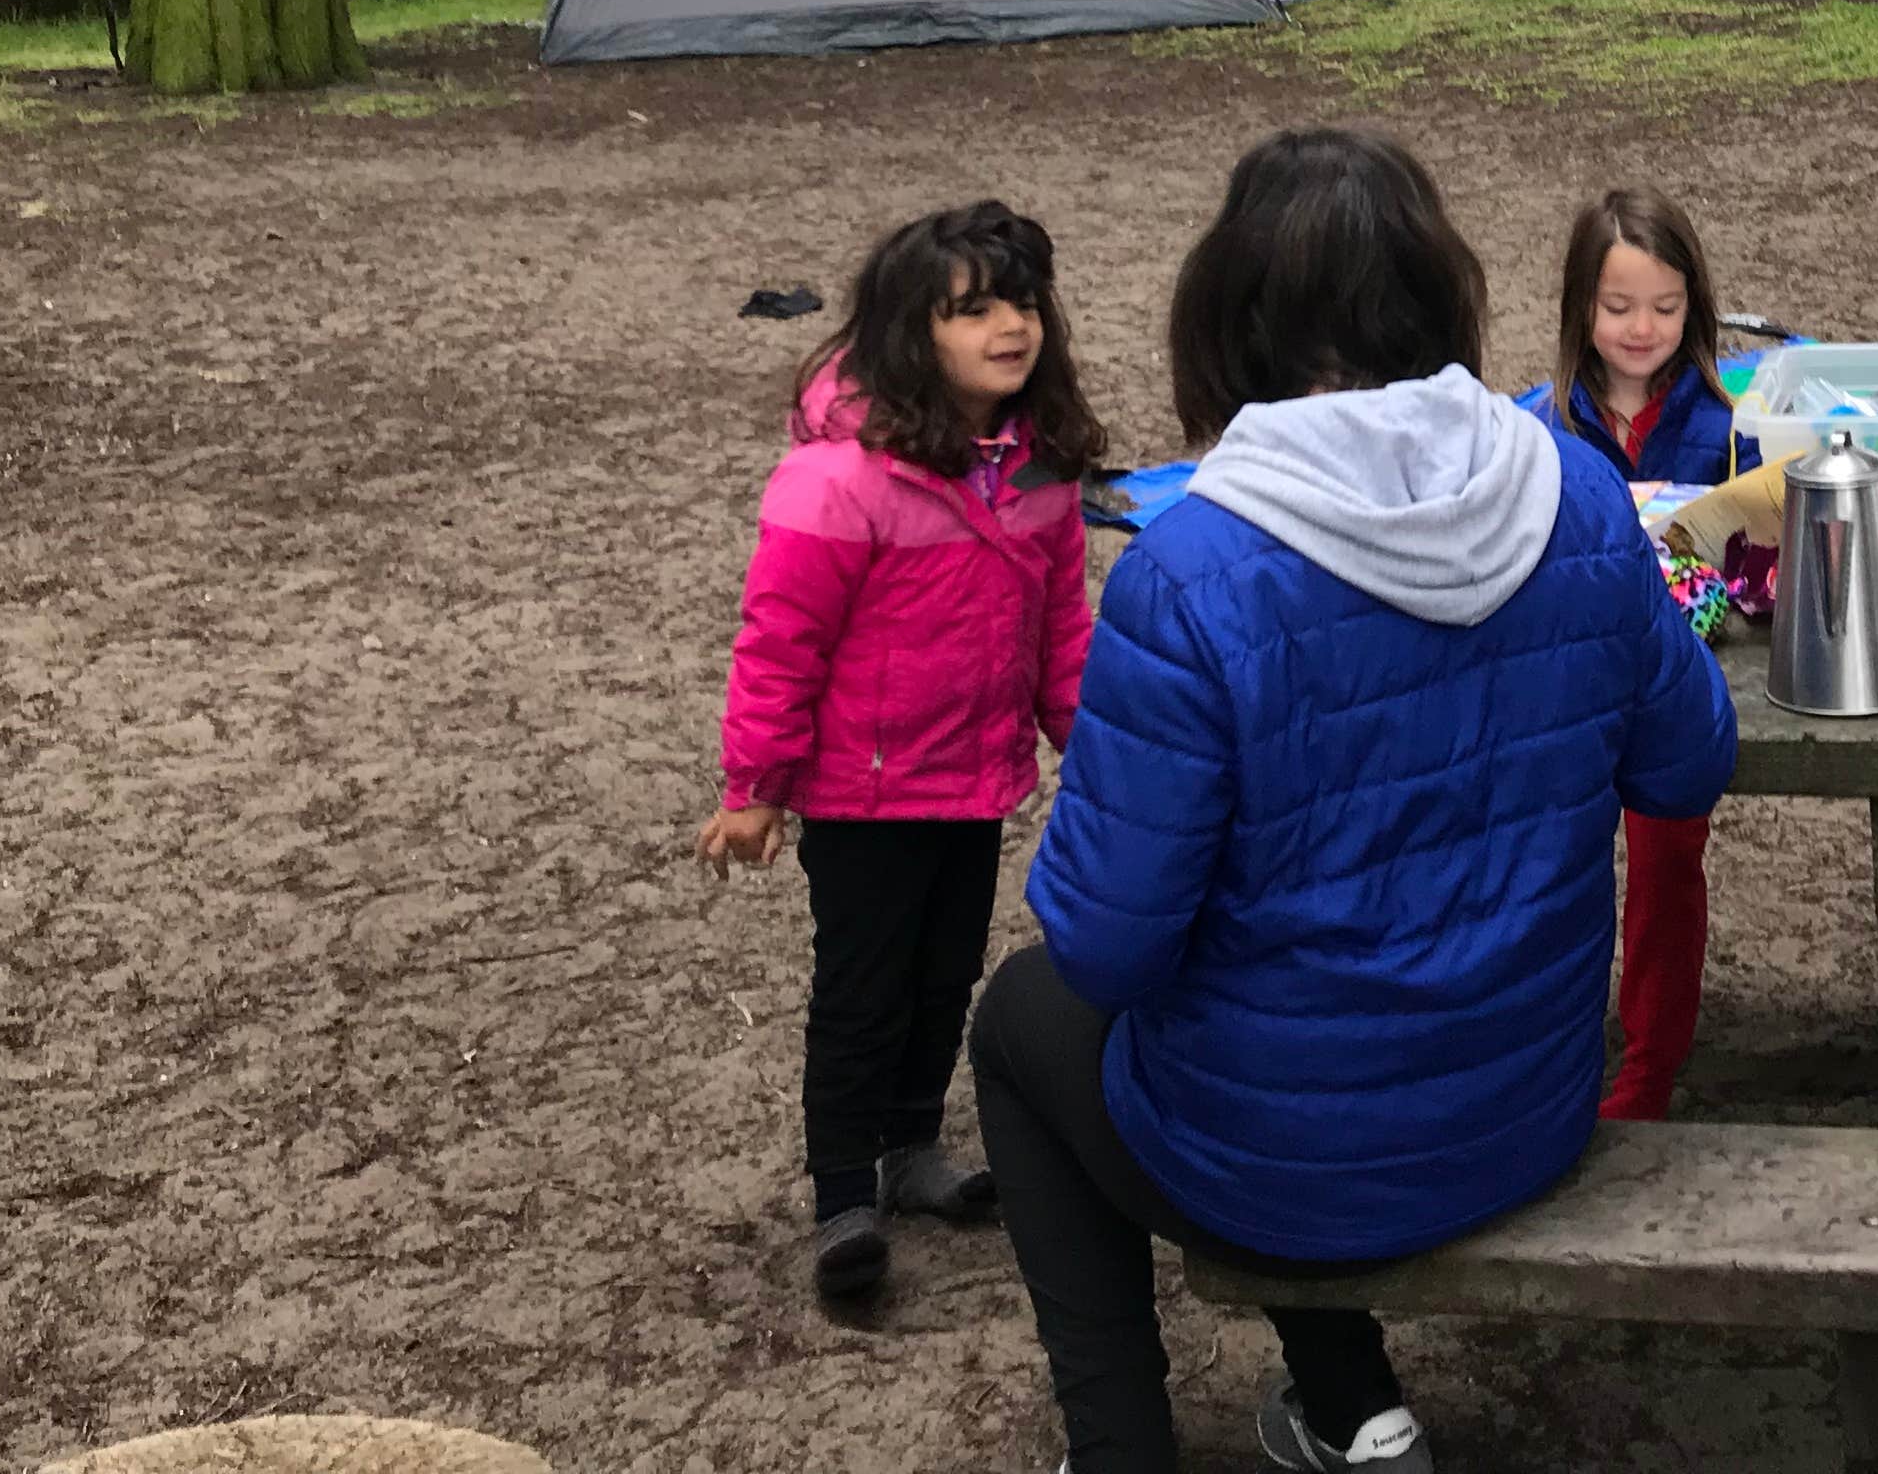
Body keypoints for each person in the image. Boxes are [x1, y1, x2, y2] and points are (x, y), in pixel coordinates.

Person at [977, 127, 1736, 1474]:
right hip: (1529, 1106)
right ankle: (1351, 1407)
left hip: (1293, 1162)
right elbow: (1687, 760)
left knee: (1022, 1019)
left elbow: (1104, 947)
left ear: (1227, 314)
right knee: (1266, 1034)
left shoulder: (1186, 574)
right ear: (1443, 292)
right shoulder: (1576, 494)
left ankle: (1124, 1448)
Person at [697, 200, 1103, 1308]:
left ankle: (911, 1148)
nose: (1008, 327)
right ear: (910, 332)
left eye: (1022, 303)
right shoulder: (838, 480)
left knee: (943, 974)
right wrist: (754, 787)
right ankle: (844, 1195)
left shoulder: (1041, 469)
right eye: (973, 311)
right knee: (862, 991)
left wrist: (1094, 745)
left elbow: (1062, 628)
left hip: (972, 780)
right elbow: (779, 641)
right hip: (862, 795)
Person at [1515, 187, 1738, 1122]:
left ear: (1695, 307)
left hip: (1672, 687)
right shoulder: (1539, 428)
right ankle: (1539, 1052)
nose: (1642, 329)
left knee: (1666, 860)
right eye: (1618, 307)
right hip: (1569, 685)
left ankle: (1649, 1069)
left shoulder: (1727, 427)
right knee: (1547, 863)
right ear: (1580, 308)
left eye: (1665, 306)